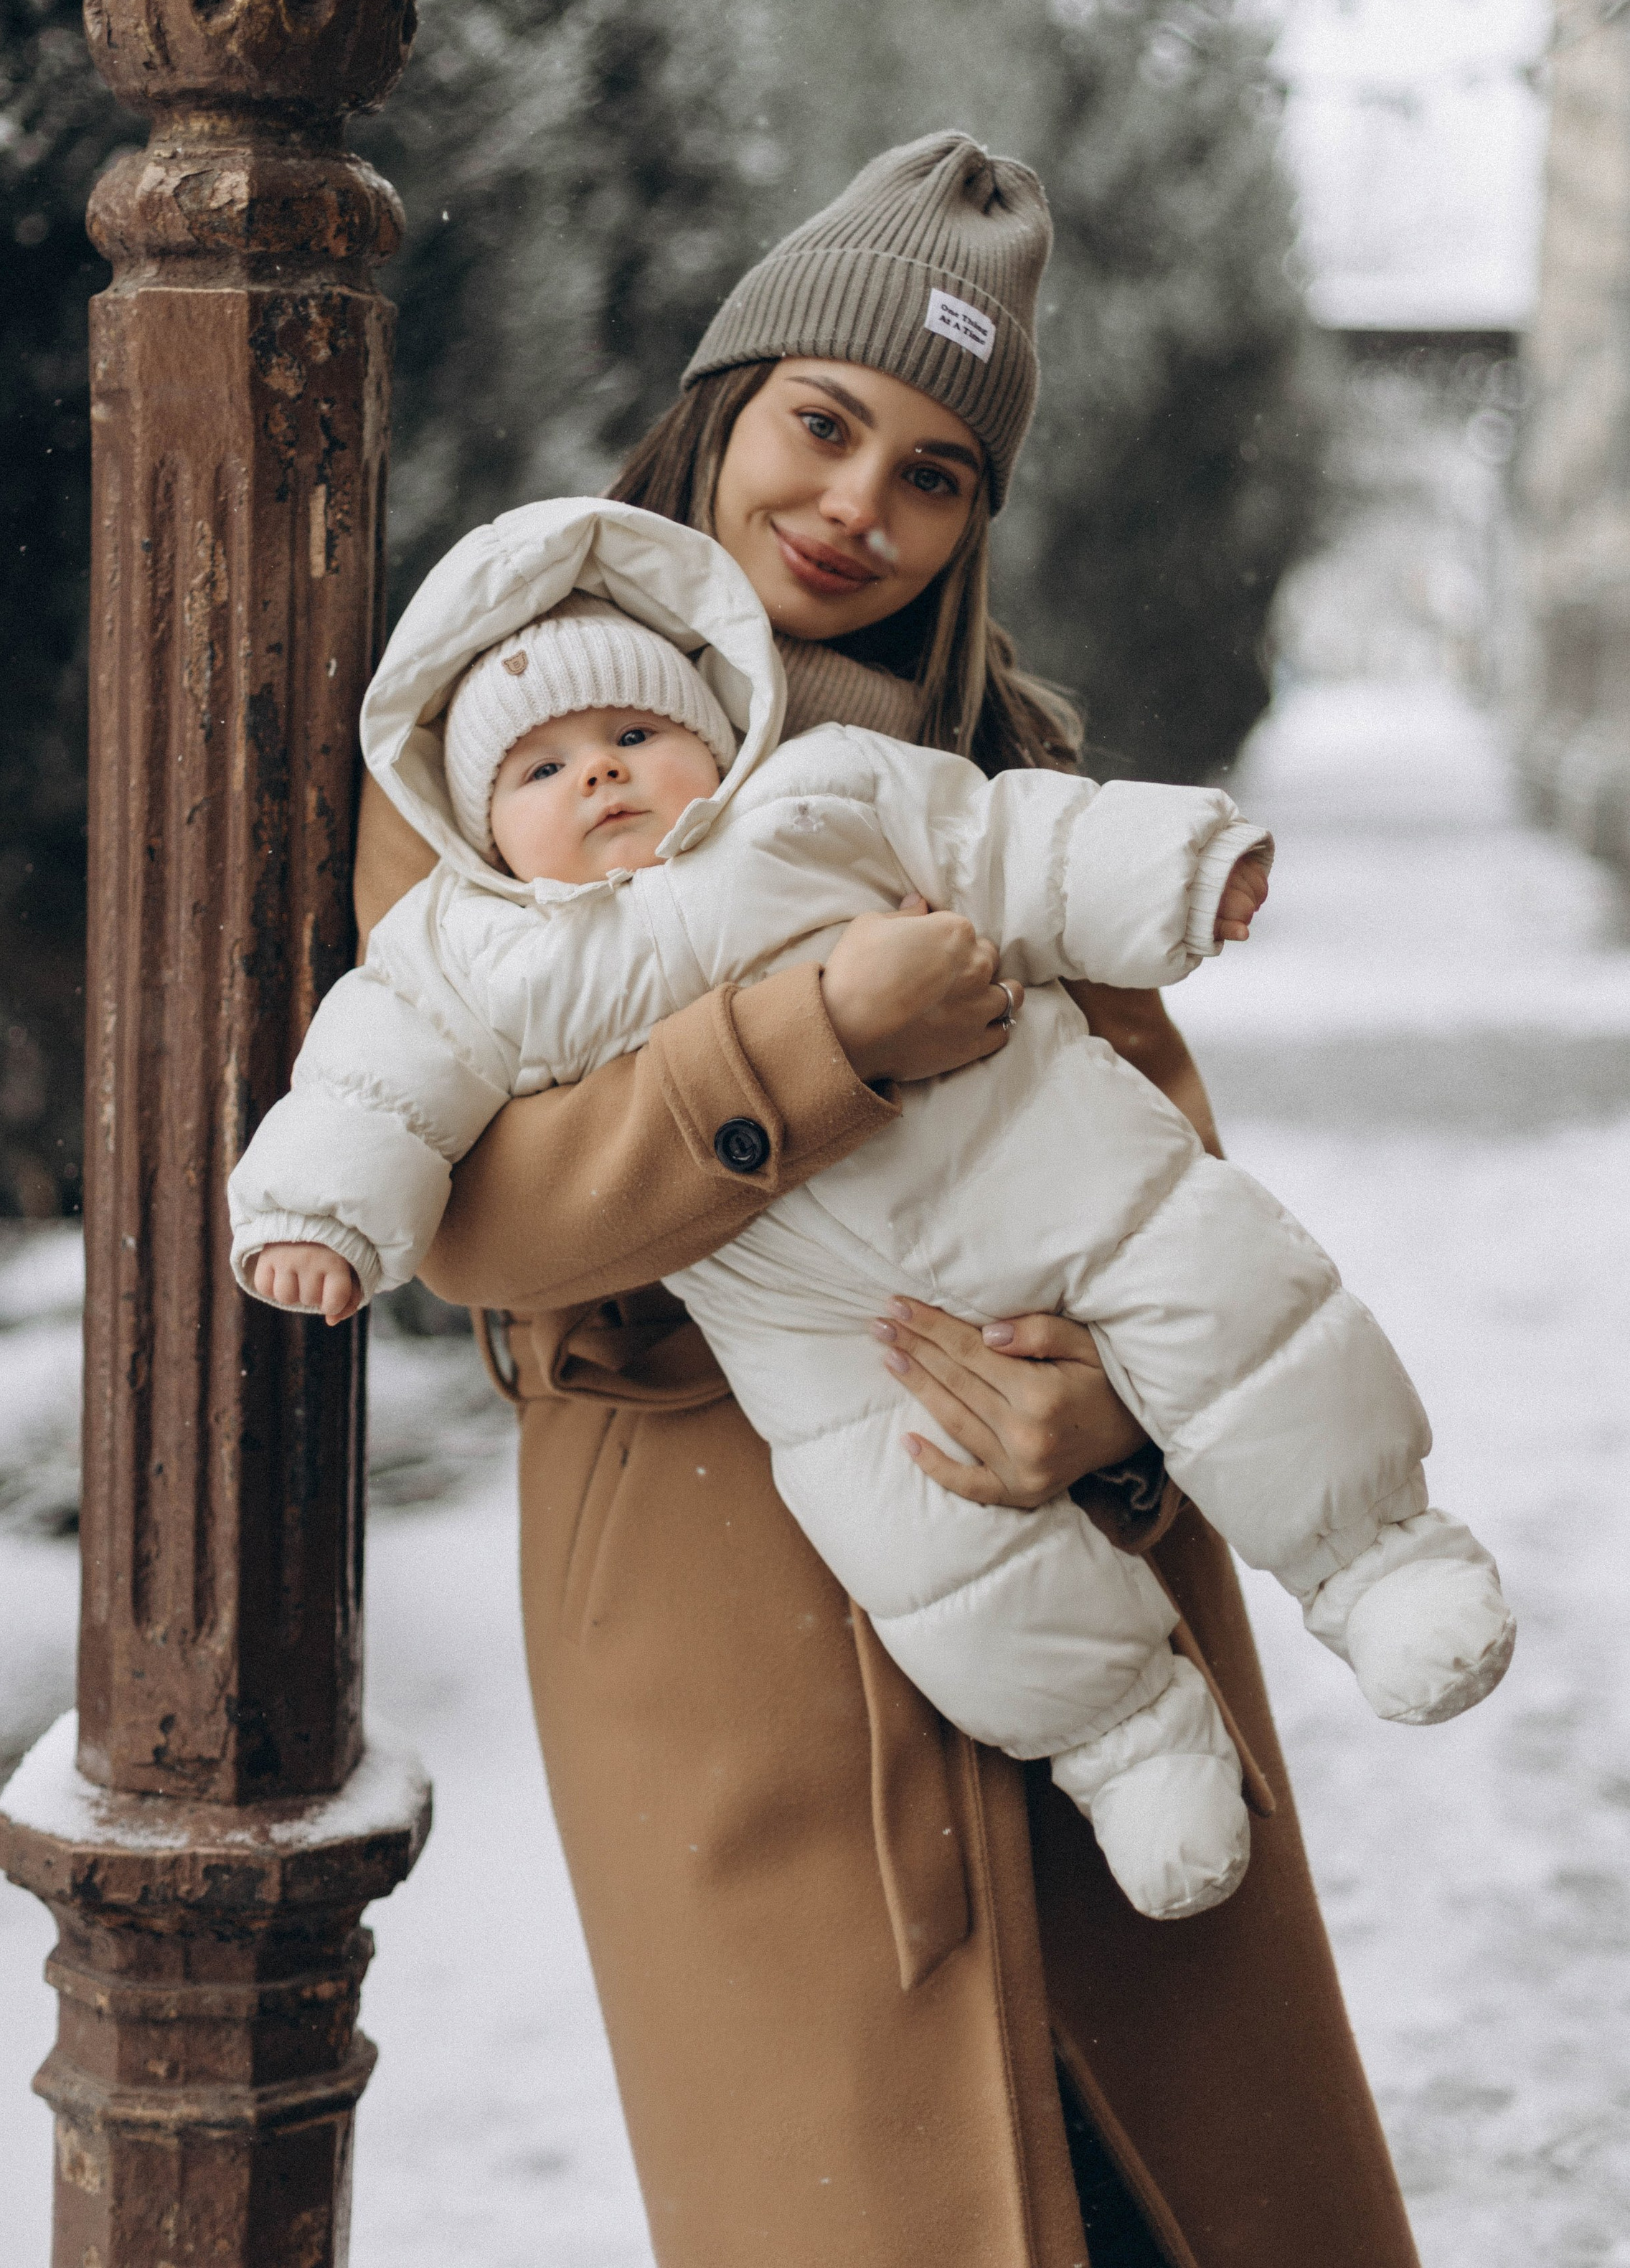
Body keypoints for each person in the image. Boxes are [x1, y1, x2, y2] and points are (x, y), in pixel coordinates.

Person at [342, 133, 1427, 2266]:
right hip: (715, 1616)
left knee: (1177, 2199)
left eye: (934, 473)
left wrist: (1109, 1421)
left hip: (1069, 1547)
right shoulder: (501, 737)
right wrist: (827, 1034)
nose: (858, 506)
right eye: (822, 426)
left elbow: (1162, 1173)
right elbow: (484, 1216)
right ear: (720, 409)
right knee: (862, 2201)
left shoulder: (998, 759)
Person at [232, 496, 1512, 1929]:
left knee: (1231, 1307)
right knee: (921, 1536)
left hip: (1050, 1171)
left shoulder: (819, 794)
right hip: (825, 1330)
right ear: (475, 822)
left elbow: (1010, 842)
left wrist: (1178, 868)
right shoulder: (471, 951)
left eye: (634, 738)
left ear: (711, 733)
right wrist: (320, 1214)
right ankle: (1126, 1738)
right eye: (541, 766)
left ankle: (1376, 1555)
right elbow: (376, 1085)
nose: (597, 776)